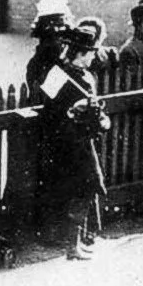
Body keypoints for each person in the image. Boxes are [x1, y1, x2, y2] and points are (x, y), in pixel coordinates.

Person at [37, 26, 110, 260]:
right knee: (87, 187)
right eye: (90, 53)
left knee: (73, 190)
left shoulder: (57, 73)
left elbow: (46, 105)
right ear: (80, 53)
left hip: (59, 142)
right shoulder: (82, 79)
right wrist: (101, 121)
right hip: (78, 144)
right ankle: (72, 245)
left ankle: (75, 241)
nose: (92, 57)